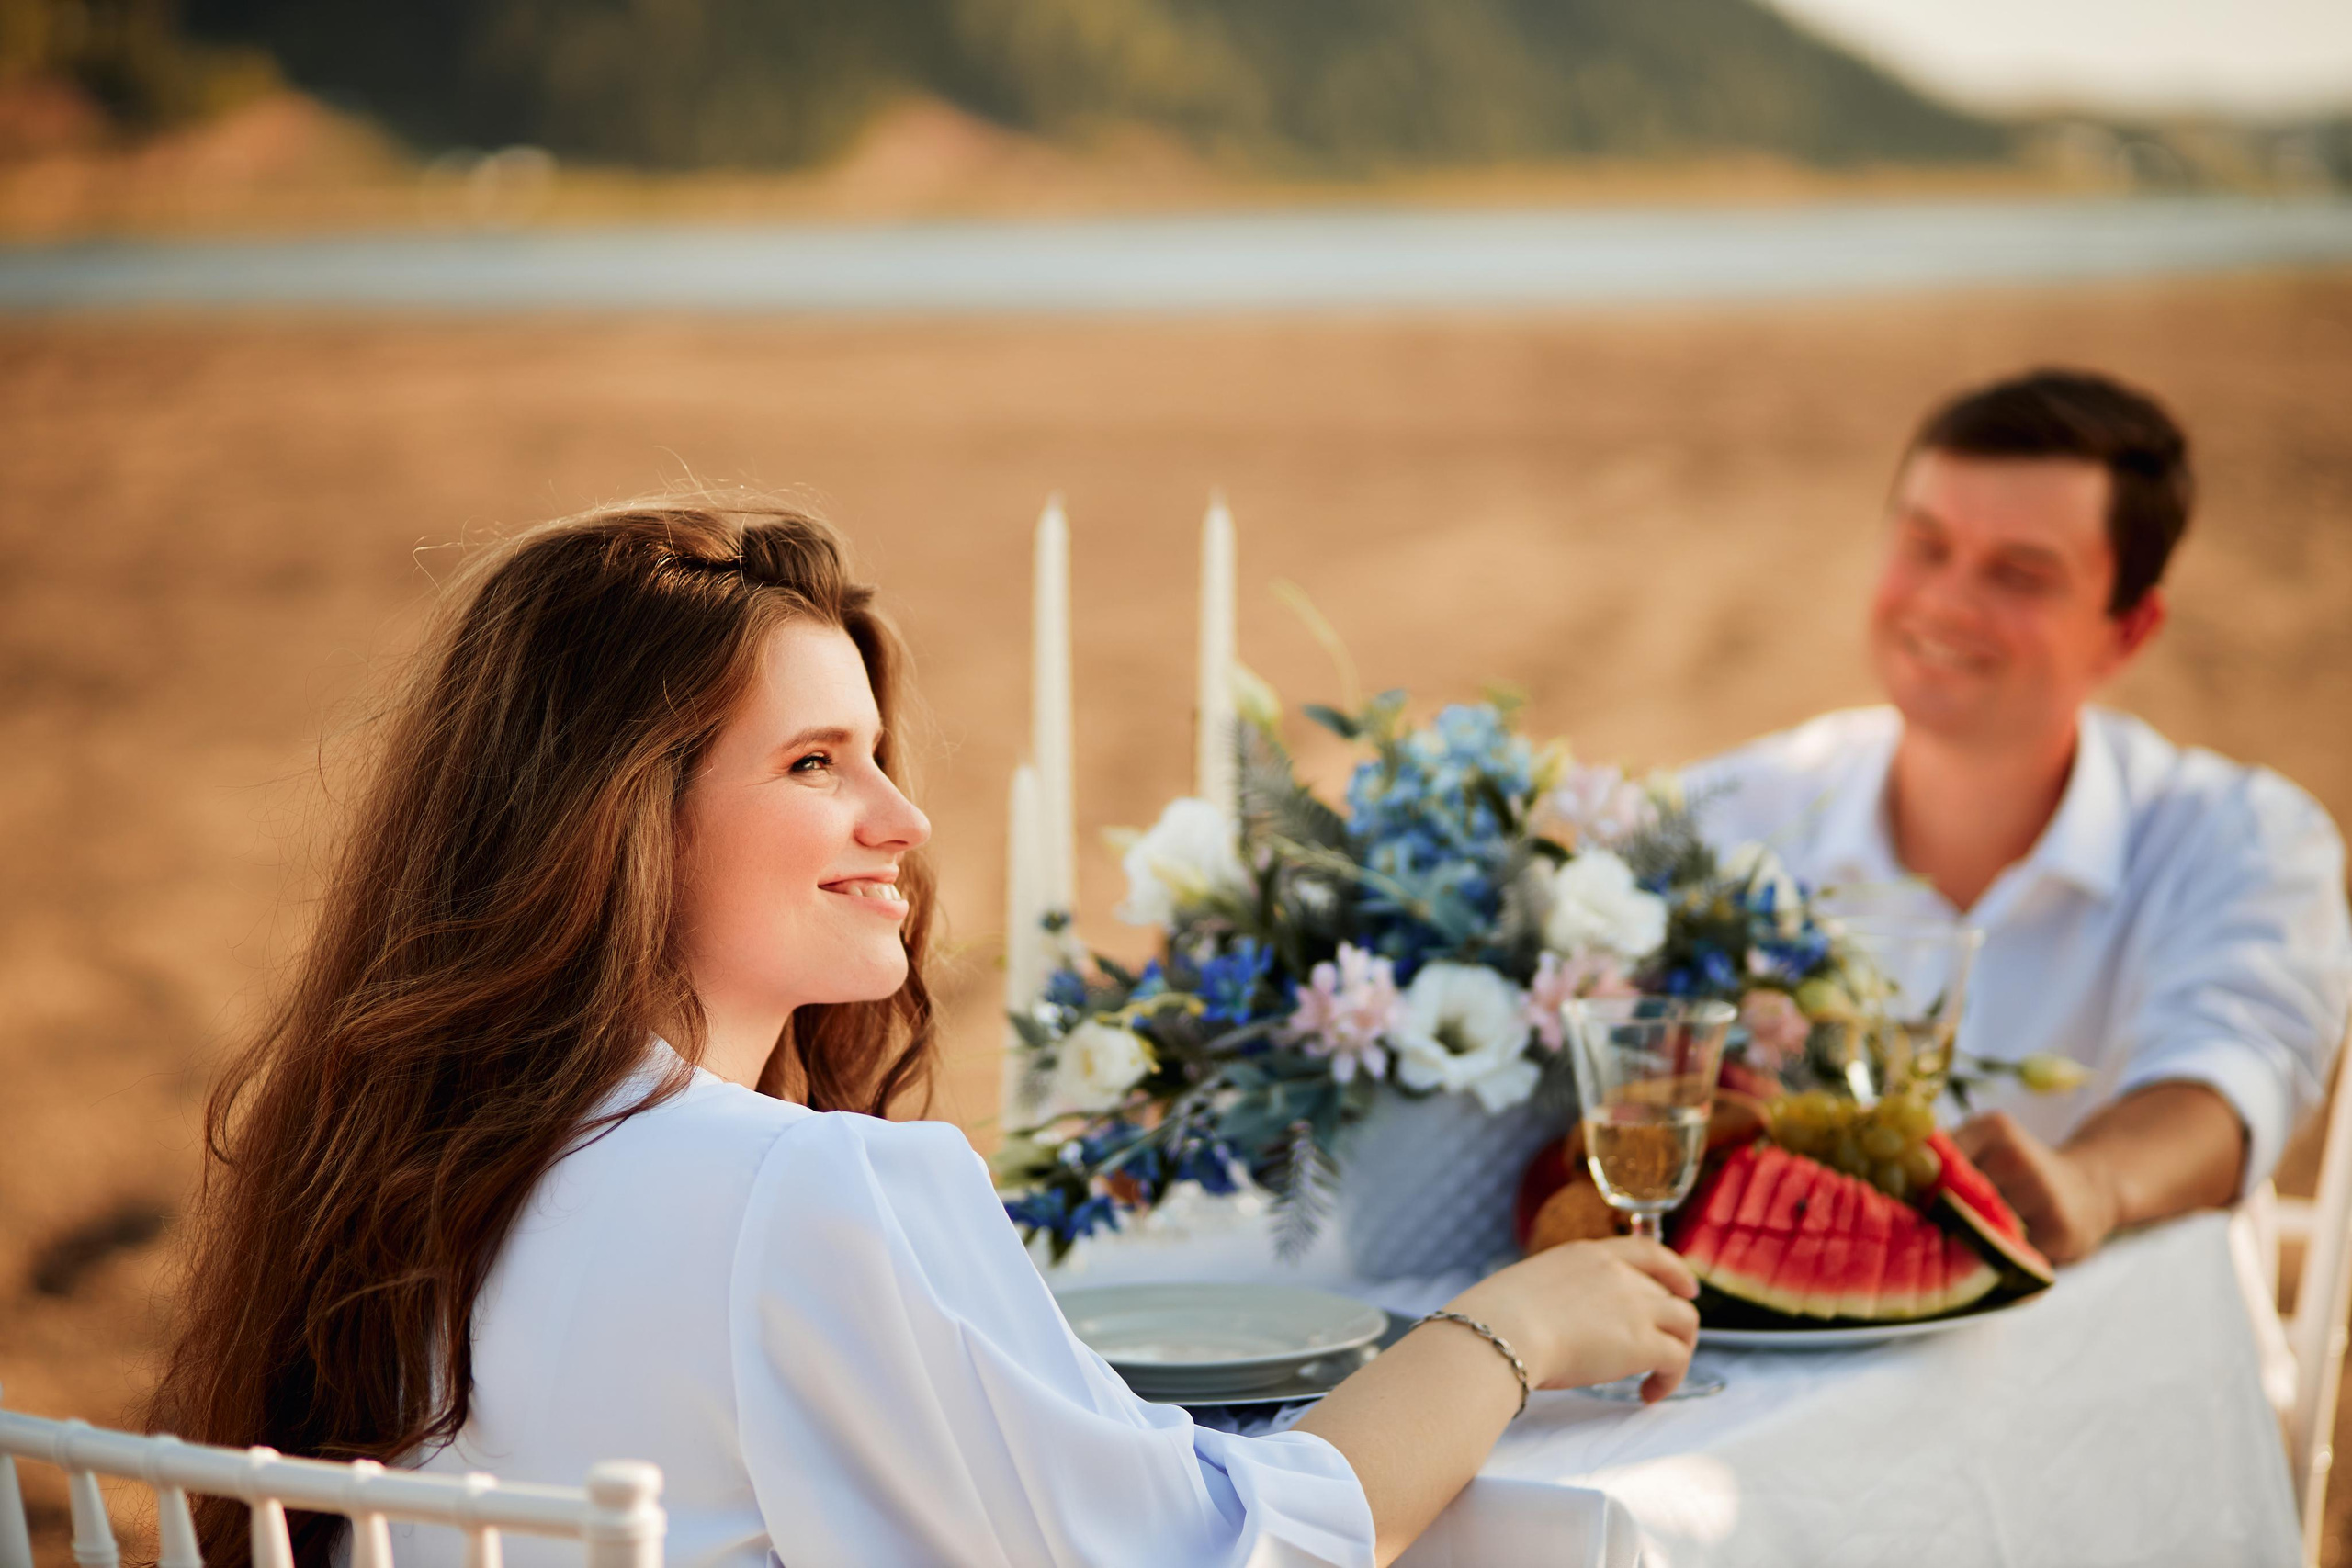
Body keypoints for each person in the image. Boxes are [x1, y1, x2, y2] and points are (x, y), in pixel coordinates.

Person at [149, 498, 1700, 1568]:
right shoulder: (809, 1194)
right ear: (613, 820)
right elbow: (1227, 1546)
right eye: (818, 761)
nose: (903, 817)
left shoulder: (393, 1184)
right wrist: (1517, 1333)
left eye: (877, 754)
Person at [1687, 368, 2352, 1265]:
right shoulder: (1729, 811)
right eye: (1925, 545)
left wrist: (2095, 1182)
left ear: (2128, 631)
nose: (1947, 602)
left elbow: (2233, 1074)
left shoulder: (2243, 835)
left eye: (2019, 574)